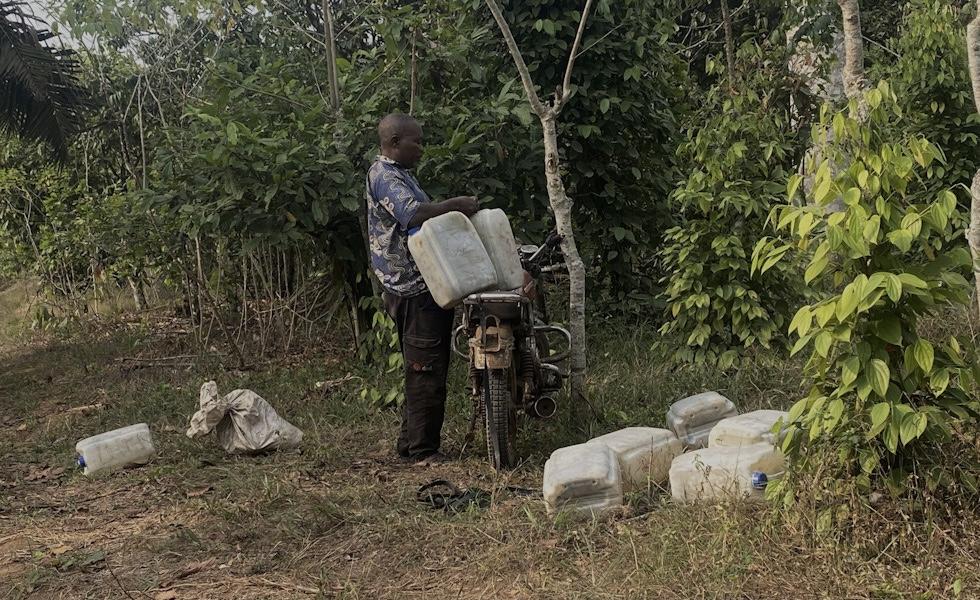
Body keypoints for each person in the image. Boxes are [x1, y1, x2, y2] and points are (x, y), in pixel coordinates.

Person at [365, 113, 479, 465]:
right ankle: (423, 451)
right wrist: (456, 205)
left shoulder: (400, 175)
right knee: (425, 368)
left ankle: (410, 443)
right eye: (416, 142)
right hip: (413, 288)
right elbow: (413, 215)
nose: (421, 149)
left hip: (423, 285)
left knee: (425, 364)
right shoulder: (384, 175)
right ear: (395, 142)